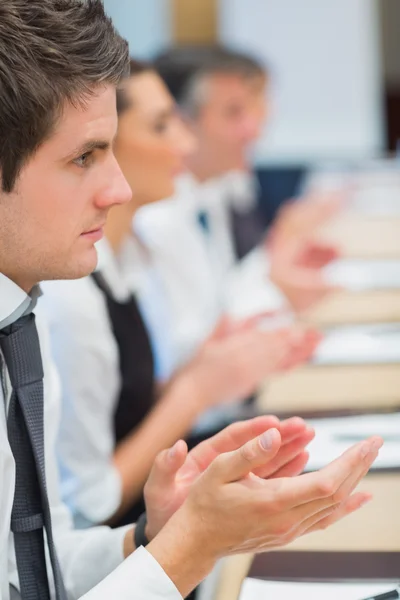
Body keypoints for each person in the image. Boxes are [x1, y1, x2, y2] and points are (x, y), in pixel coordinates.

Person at [0, 2, 382, 599]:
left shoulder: (23, 315)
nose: (118, 187)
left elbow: (31, 572)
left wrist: (156, 531)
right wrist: (191, 547)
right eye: (84, 157)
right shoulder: (55, 306)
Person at [41, 58, 320, 529]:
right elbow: (90, 503)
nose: (185, 143)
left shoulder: (126, 258)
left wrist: (204, 370)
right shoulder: (72, 296)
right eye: (161, 126)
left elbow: (129, 406)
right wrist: (195, 389)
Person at [133, 45, 341, 374]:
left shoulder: (209, 192)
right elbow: (190, 353)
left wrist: (280, 264)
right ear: (184, 122)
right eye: (233, 113)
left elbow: (224, 300)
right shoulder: (157, 217)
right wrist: (279, 261)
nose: (255, 128)